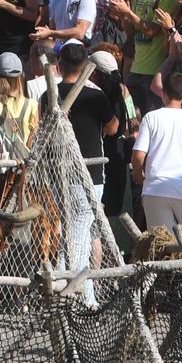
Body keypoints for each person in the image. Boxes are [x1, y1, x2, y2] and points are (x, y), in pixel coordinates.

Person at [45, 40, 119, 305]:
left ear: (60, 65)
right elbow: (113, 127)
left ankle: (76, 293)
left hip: (59, 171)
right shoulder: (95, 94)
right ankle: (77, 295)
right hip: (90, 171)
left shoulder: (50, 95)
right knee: (78, 233)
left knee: (75, 231)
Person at [133, 70, 182, 246]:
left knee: (162, 243)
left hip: (154, 189)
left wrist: (139, 176)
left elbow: (138, 157)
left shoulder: (151, 118)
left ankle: (165, 274)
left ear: (164, 92)